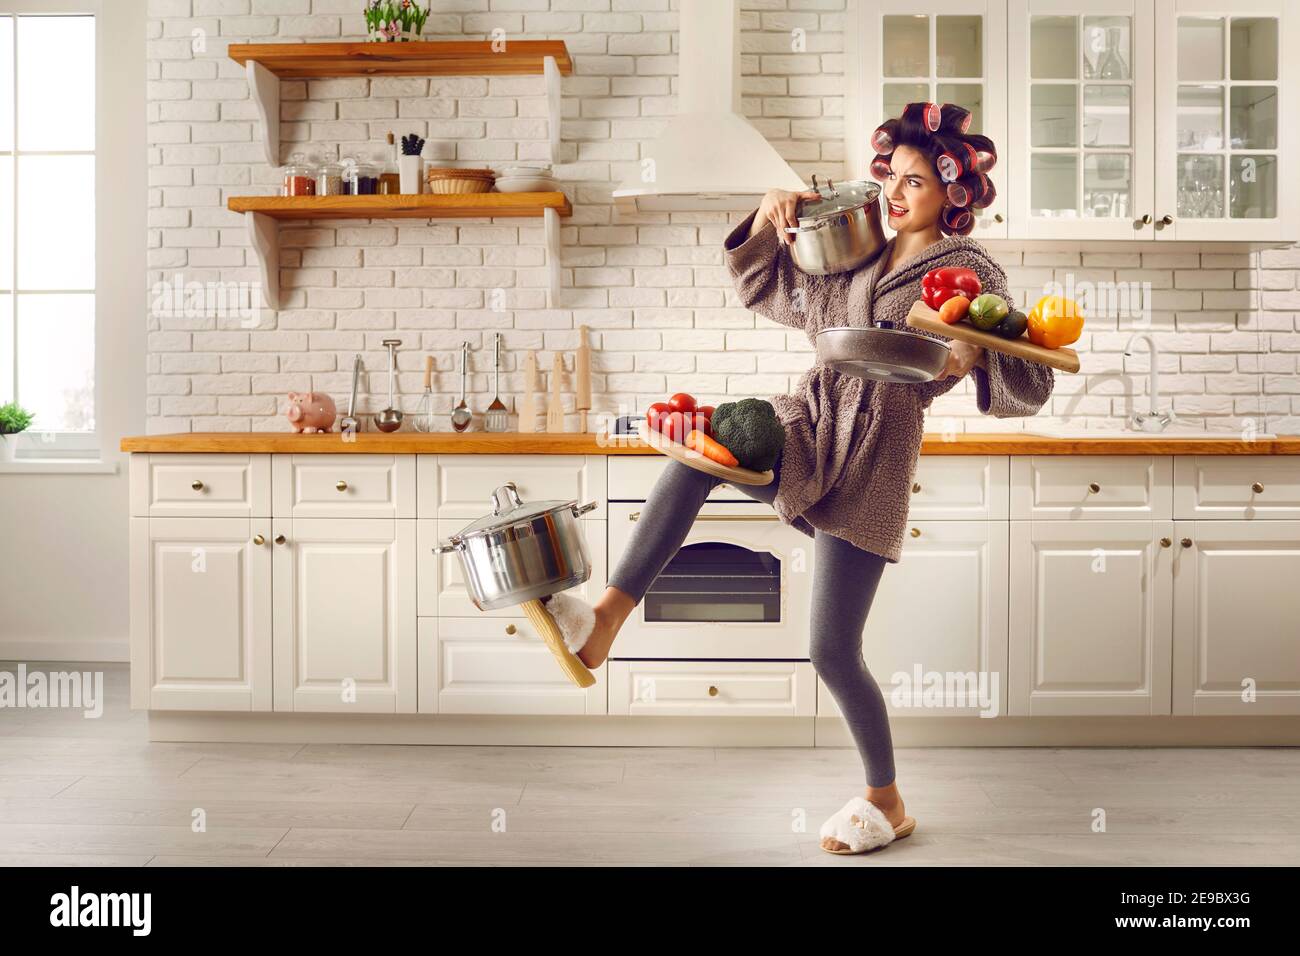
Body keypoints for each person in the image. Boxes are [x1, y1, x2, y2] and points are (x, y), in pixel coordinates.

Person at [573, 103, 1054, 854]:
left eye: (916, 183)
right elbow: (782, 295)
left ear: (952, 195)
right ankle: (605, 615)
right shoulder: (861, 250)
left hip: (876, 455)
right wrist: (769, 223)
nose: (895, 193)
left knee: (831, 649)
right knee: (701, 449)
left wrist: (973, 353)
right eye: (891, 176)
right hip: (812, 419)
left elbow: (1020, 365)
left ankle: (885, 800)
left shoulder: (971, 270)